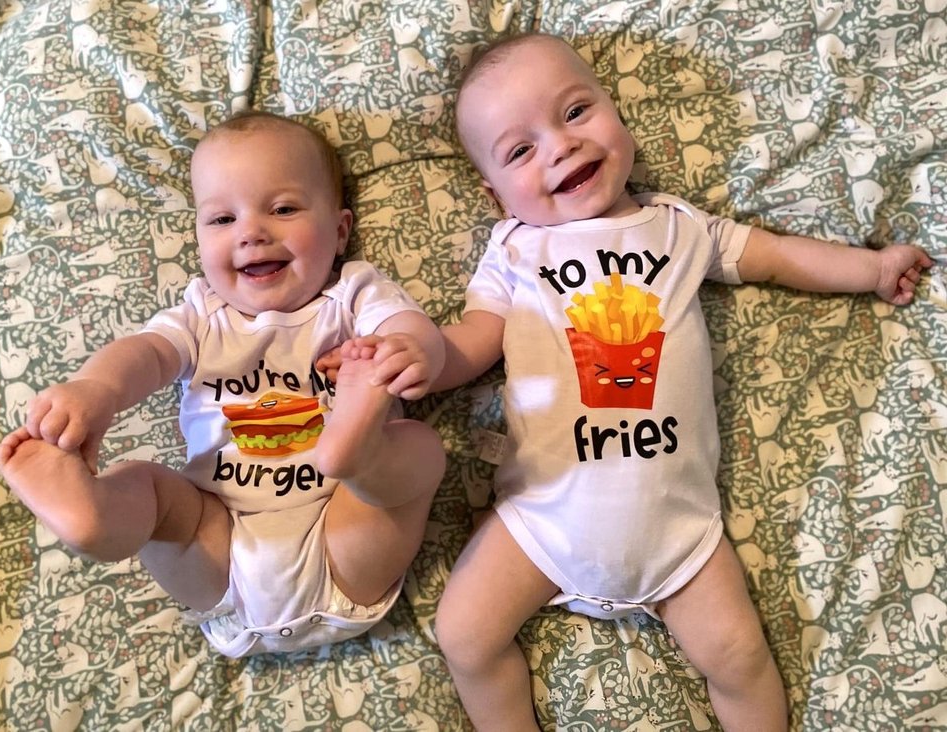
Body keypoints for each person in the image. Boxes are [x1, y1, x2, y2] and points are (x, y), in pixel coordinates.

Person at [373, 34, 931, 731]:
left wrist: (870, 270)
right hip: (543, 521)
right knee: (463, 633)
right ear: (495, 195)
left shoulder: (679, 227)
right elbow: (475, 340)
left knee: (740, 658)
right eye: (520, 150)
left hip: (679, 534)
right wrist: (425, 358)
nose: (560, 146)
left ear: (617, 111)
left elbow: (778, 257)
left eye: (576, 111)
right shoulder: (516, 249)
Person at [0, 111, 447, 658]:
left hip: (343, 534)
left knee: (417, 449)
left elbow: (407, 327)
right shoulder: (200, 314)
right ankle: (95, 517)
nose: (251, 232)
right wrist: (98, 391)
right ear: (198, 238)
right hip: (220, 549)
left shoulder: (352, 296)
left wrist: (410, 349)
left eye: (283, 209)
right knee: (153, 491)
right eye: (222, 219)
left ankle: (356, 449)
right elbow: (147, 354)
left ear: (340, 231)